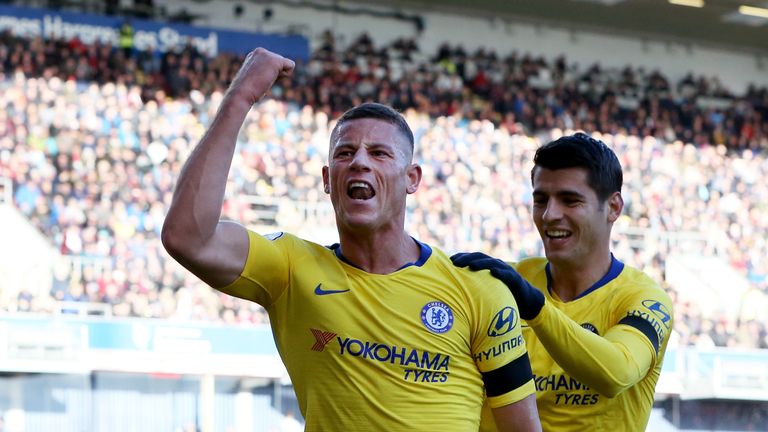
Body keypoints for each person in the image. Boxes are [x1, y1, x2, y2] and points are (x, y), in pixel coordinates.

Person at [161, 47, 541, 431]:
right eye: (345, 152)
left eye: (379, 153)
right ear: (328, 180)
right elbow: (187, 237)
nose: (360, 161)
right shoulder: (291, 269)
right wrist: (240, 97)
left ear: (412, 179)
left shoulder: (477, 289)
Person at [452, 133, 674, 431]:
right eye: (540, 200)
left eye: (570, 200)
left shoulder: (644, 298)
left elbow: (617, 372)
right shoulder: (500, 284)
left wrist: (535, 309)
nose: (549, 215)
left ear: (614, 208)